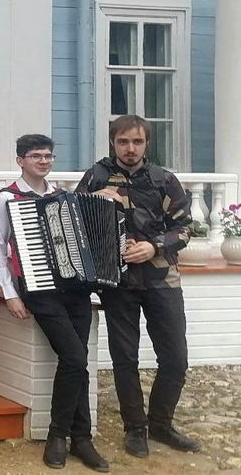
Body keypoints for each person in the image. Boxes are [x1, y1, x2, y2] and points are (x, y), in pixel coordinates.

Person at [76, 115, 198, 458]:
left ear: (147, 143)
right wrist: (93, 199)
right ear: (113, 142)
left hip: (162, 280)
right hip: (118, 282)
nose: (130, 148)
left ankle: (161, 424)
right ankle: (135, 429)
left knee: (175, 358)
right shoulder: (97, 177)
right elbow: (72, 221)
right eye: (123, 141)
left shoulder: (163, 179)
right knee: (125, 358)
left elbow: (185, 228)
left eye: (137, 141)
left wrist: (154, 246)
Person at [0, 134, 110, 472]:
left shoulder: (62, 196)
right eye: (36, 156)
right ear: (20, 160)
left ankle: (81, 439)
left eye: (48, 156)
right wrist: (10, 294)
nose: (43, 161)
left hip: (75, 290)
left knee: (78, 361)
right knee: (75, 357)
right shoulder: (7, 198)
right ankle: (59, 436)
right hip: (38, 290)